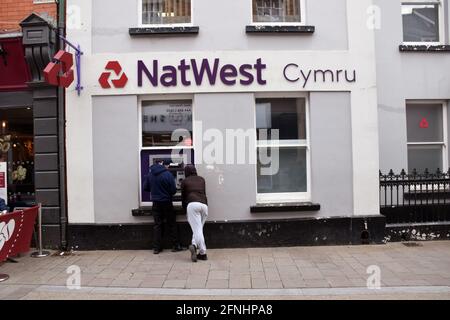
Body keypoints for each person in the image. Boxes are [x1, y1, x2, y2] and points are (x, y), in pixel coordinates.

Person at [143, 159, 184, 254]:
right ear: (166, 165)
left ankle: (157, 248)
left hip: (156, 203)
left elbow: (145, 188)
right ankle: (175, 245)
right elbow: (173, 191)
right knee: (171, 223)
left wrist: (155, 190)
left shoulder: (150, 174)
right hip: (167, 202)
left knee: (157, 225)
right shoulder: (168, 175)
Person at [181, 164, 208, 262]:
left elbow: (183, 197)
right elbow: (204, 193)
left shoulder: (184, 181)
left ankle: (203, 253)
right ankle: (194, 245)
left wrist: (184, 209)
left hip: (192, 204)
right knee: (198, 228)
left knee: (197, 230)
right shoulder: (202, 179)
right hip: (204, 205)